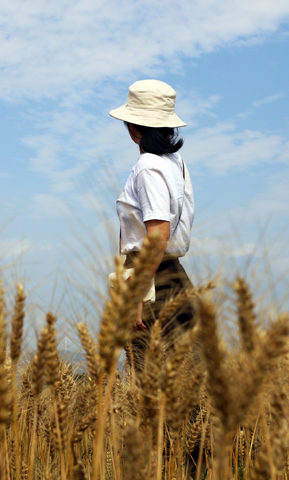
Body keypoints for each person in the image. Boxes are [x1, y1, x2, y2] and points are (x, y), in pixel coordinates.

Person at [110, 79, 195, 370]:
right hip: (173, 277)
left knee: (150, 389)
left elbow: (158, 235)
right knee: (180, 387)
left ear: (134, 129)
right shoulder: (176, 162)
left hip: (152, 280)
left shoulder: (148, 166)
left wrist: (137, 293)